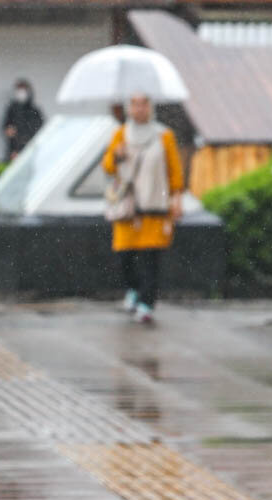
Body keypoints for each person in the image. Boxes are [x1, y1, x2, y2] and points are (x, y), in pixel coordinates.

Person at [102, 92, 183, 325]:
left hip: (155, 206)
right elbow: (107, 166)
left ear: (150, 107)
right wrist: (116, 156)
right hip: (127, 207)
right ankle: (133, 290)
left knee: (150, 259)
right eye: (135, 104)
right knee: (124, 256)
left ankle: (147, 304)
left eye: (144, 104)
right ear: (129, 108)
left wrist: (176, 199)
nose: (139, 109)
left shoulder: (164, 136)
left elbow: (174, 171)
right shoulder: (121, 135)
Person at [2, 78, 44, 161]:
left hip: (31, 151)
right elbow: (7, 128)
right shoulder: (12, 110)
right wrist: (14, 149)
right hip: (14, 151)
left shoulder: (34, 111)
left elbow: (37, 131)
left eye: (23, 90)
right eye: (19, 90)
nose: (21, 93)